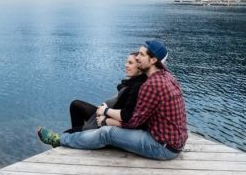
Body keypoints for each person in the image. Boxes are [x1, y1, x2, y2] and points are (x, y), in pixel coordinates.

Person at [37, 40, 187, 160]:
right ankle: (70, 139)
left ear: (153, 60)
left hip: (161, 147)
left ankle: (60, 140)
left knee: (107, 133)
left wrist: (105, 118)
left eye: (141, 54)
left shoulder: (152, 84)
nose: (138, 58)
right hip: (174, 141)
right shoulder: (167, 77)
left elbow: (132, 122)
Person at [66, 52, 146, 133]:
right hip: (106, 115)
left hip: (107, 120)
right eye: (126, 62)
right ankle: (79, 136)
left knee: (67, 134)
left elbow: (127, 115)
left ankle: (79, 136)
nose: (126, 65)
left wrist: (105, 114)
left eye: (130, 63)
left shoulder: (136, 87)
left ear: (140, 67)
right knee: (75, 105)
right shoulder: (130, 84)